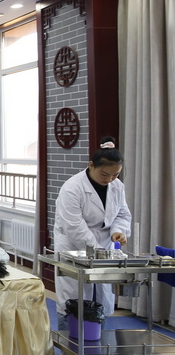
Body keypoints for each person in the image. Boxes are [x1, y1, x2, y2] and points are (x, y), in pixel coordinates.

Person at [54, 137, 131, 332]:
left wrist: (118, 231)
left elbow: (122, 214)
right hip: (74, 247)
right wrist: (97, 252)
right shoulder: (72, 188)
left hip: (104, 246)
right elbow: (74, 226)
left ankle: (99, 341)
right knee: (74, 299)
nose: (109, 179)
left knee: (101, 298)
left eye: (115, 175)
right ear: (91, 165)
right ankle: (69, 343)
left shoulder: (117, 186)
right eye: (105, 174)